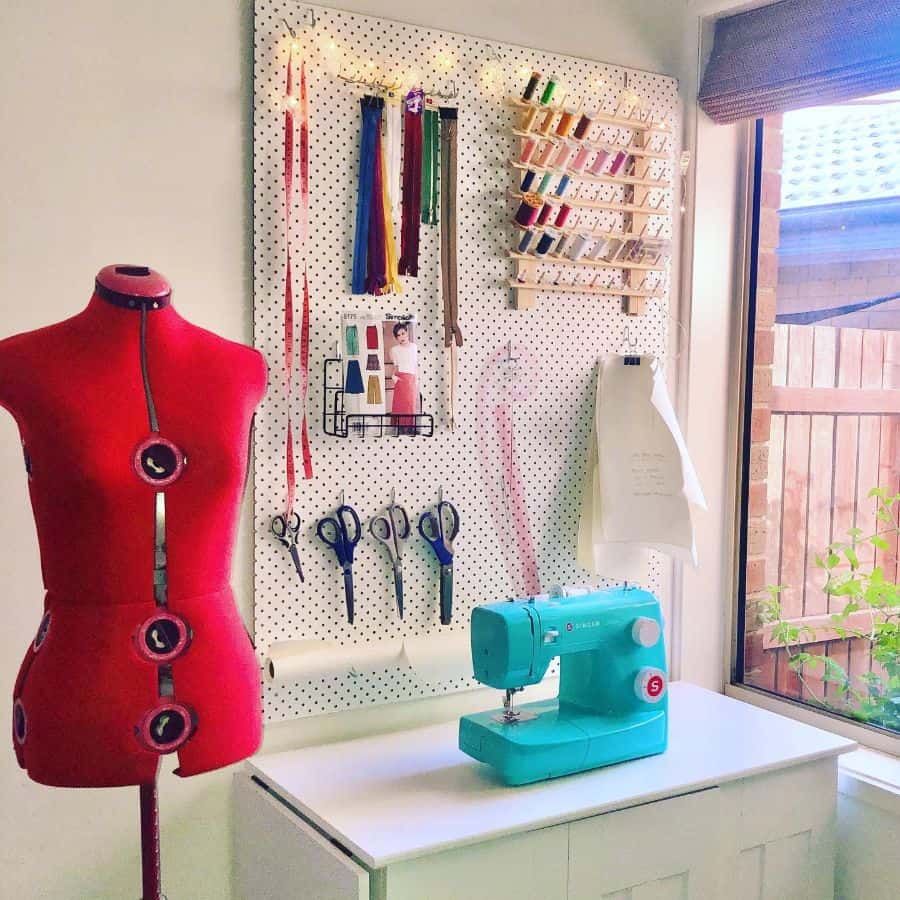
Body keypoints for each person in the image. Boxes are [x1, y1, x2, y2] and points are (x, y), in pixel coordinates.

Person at [389, 322, 417, 430]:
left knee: (410, 404)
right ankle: (399, 428)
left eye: (403, 333)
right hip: (400, 379)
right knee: (399, 405)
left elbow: (415, 365)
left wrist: (416, 379)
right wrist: (393, 376)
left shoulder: (414, 347)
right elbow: (395, 366)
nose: (401, 337)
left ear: (407, 333)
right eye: (398, 335)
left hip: (411, 379)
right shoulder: (394, 349)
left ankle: (409, 427)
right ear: (396, 337)